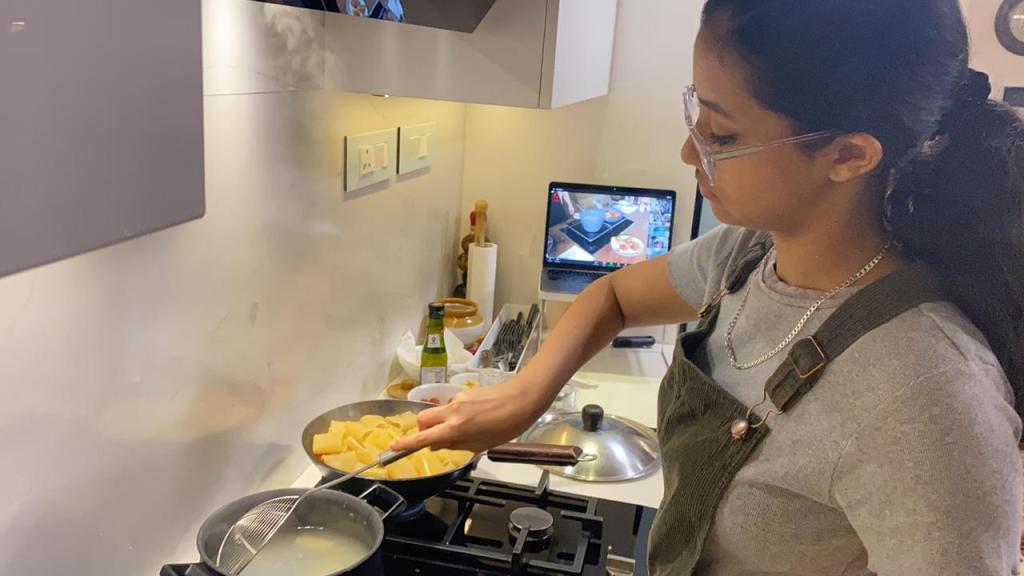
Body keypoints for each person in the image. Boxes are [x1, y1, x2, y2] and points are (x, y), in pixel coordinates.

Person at [392, 0, 1024, 573]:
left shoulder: (928, 402)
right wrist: (523, 397)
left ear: (850, 155)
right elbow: (612, 297)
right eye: (696, 111)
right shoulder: (751, 253)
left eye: (722, 135)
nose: (691, 154)